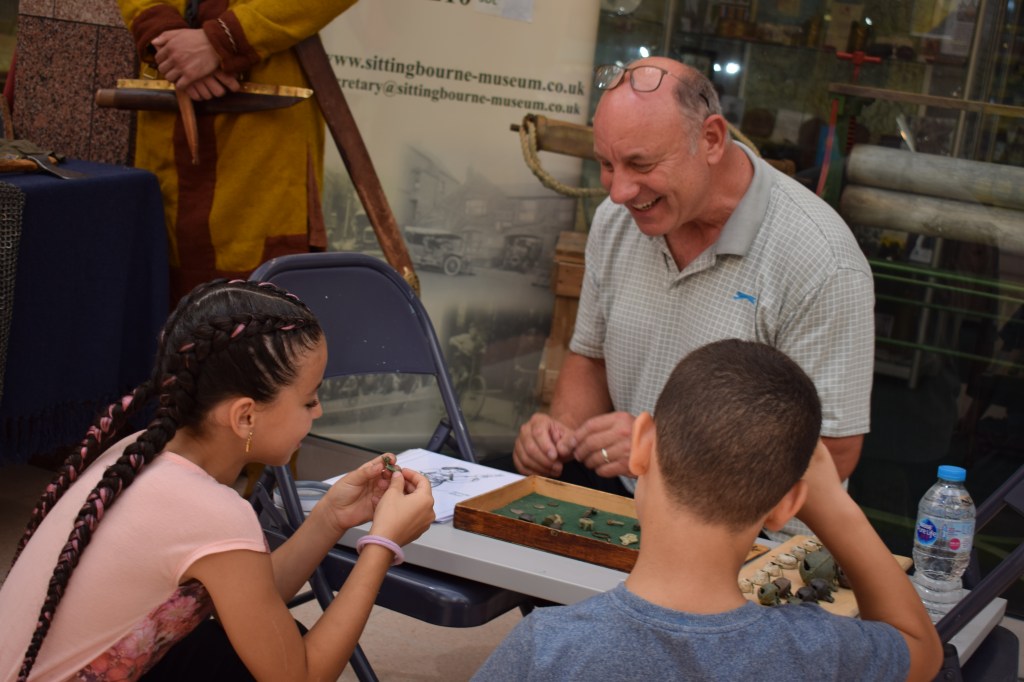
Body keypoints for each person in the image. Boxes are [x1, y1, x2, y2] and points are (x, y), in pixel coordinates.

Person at [0, 279, 435, 681]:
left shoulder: (141, 451)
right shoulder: (212, 512)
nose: (318, 412)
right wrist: (382, 546)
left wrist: (329, 518)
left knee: (242, 648)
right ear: (246, 416)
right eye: (309, 399)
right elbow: (301, 676)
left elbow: (251, 595)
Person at [513, 57, 874, 502]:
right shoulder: (616, 221)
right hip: (631, 501)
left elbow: (835, 452)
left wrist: (667, 452)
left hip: (754, 534)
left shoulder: (821, 259)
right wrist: (559, 436)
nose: (619, 191)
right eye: (606, 163)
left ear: (711, 139)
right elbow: (591, 358)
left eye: (640, 164)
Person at [476, 340, 941, 681]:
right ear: (787, 506)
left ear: (640, 447)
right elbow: (921, 648)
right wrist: (831, 503)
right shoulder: (818, 652)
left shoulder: (548, 649)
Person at [117, 0, 357, 304]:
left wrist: (221, 41)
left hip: (262, 129)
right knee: (161, 305)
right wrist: (164, 34)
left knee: (259, 315)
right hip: (170, 102)